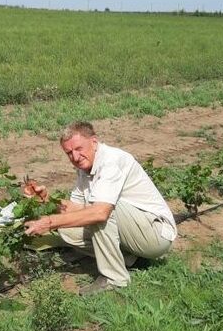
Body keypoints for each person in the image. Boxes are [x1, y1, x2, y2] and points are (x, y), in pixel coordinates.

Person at [24, 121, 177, 295]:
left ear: (94, 142)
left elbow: (99, 213)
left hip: (155, 235)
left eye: (79, 148)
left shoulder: (111, 161)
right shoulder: (85, 168)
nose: (75, 156)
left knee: (98, 212)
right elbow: (76, 208)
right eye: (69, 153)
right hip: (136, 232)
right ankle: (129, 259)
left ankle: (115, 279)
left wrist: (49, 222)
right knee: (68, 230)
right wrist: (47, 199)